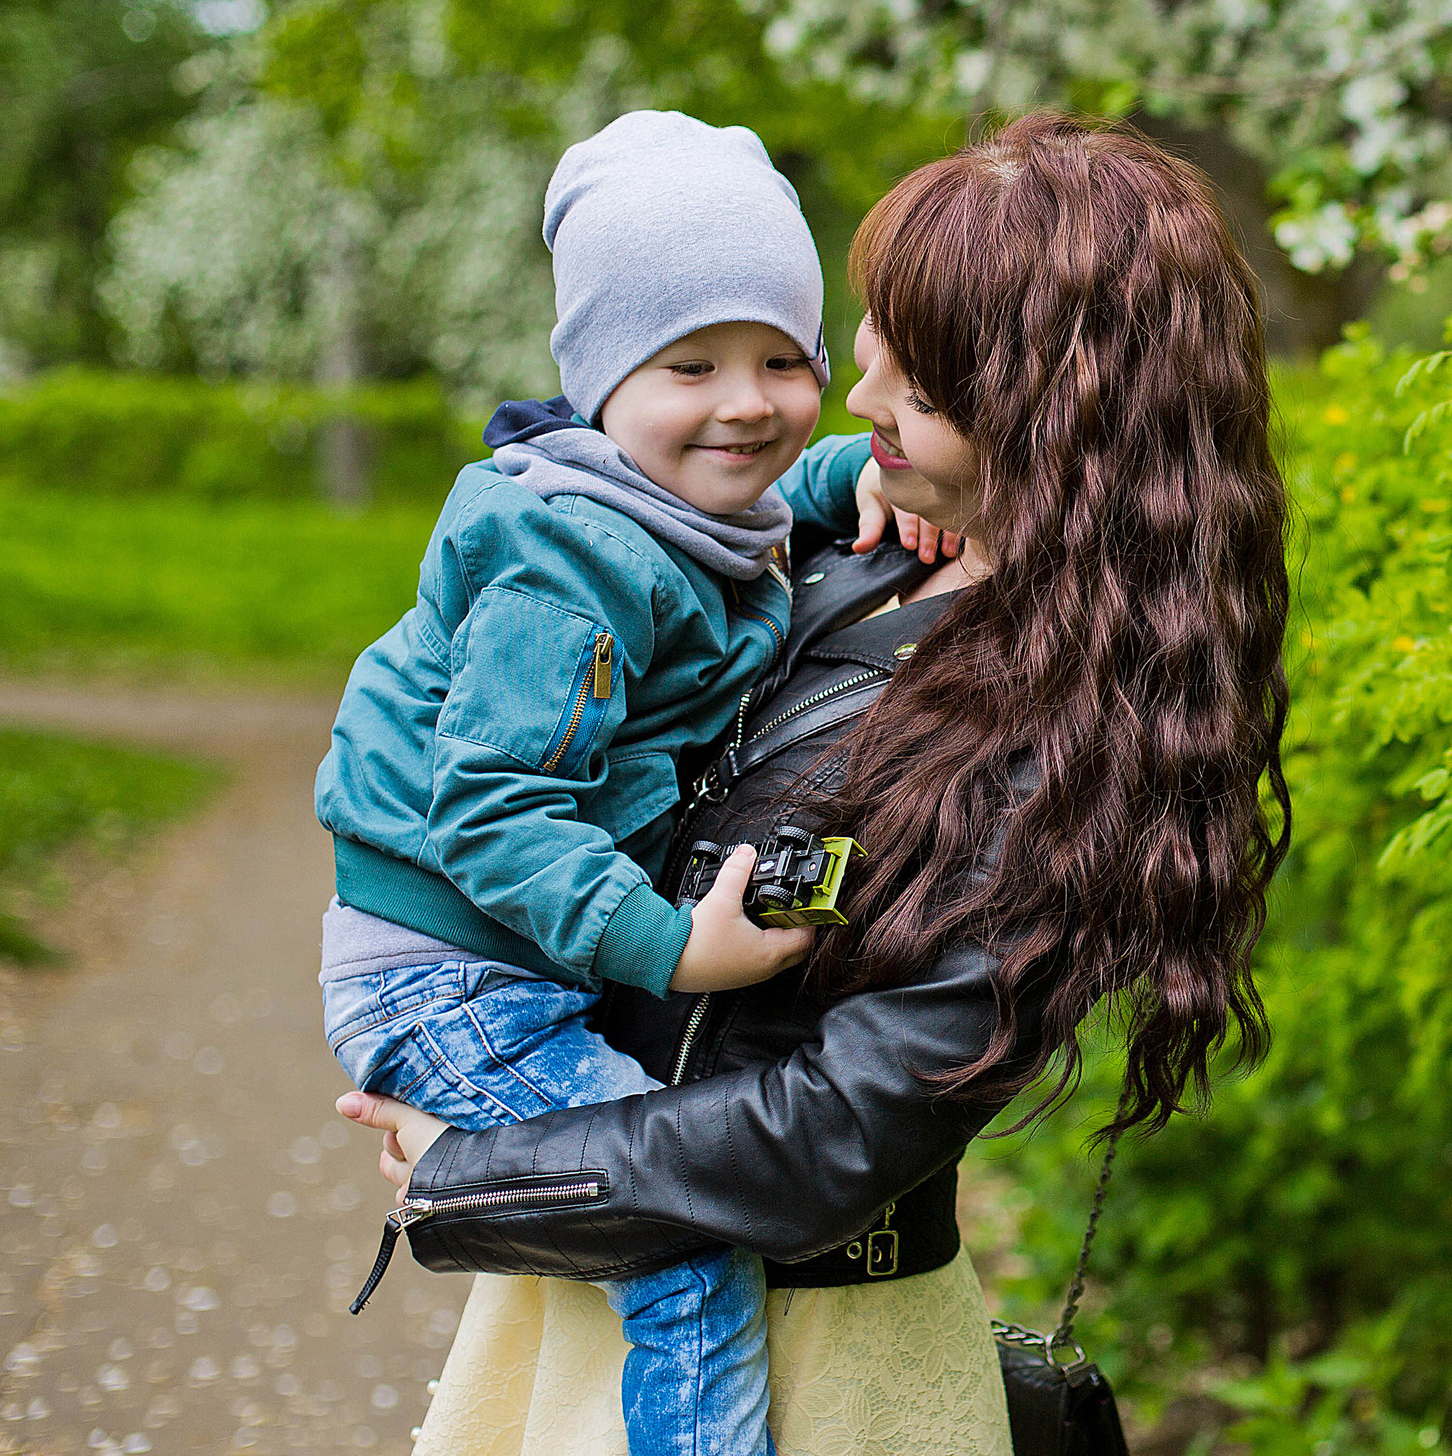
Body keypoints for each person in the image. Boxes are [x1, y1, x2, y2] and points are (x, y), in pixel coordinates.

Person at [335, 111, 1294, 1456]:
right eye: (874, 345)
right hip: (593, 1289)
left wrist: (479, 1173)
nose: (853, 399)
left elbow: (847, 1123)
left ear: (1050, 412)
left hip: (808, 1361)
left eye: (916, 381)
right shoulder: (846, 551)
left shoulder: (1076, 726)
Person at [315, 109, 885, 1456]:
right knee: (680, 1241)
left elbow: (774, 494)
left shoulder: (676, 495)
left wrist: (882, 467)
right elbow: (493, 808)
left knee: (653, 1204)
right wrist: (676, 952)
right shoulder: (564, 562)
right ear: (598, 382)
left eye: (783, 358)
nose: (745, 401)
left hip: (501, 960)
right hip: (450, 974)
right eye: (688, 363)